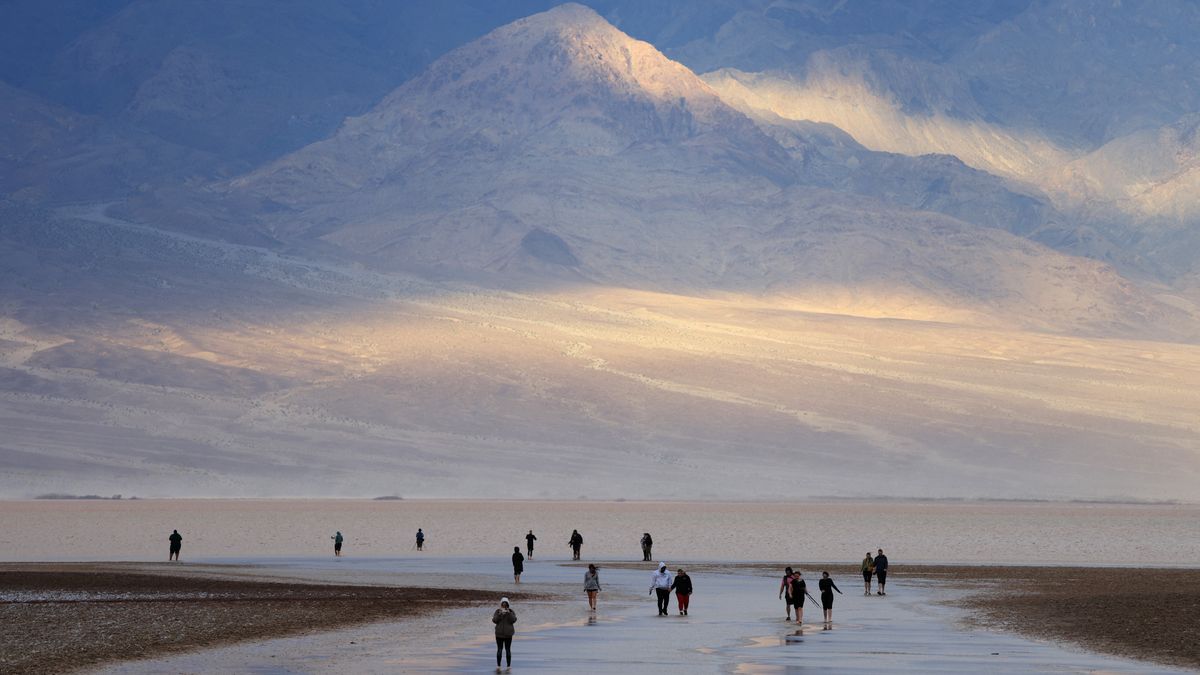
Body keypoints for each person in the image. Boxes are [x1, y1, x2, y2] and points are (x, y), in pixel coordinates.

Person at [492, 597, 517, 670]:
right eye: (503, 604)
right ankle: (498, 666)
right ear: (501, 604)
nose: (504, 606)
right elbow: (494, 620)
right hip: (499, 634)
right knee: (499, 649)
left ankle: (508, 666)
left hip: (508, 634)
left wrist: (508, 613)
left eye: (505, 605)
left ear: (508, 605)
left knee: (508, 649)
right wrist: (500, 614)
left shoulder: (511, 611)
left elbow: (514, 620)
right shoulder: (497, 611)